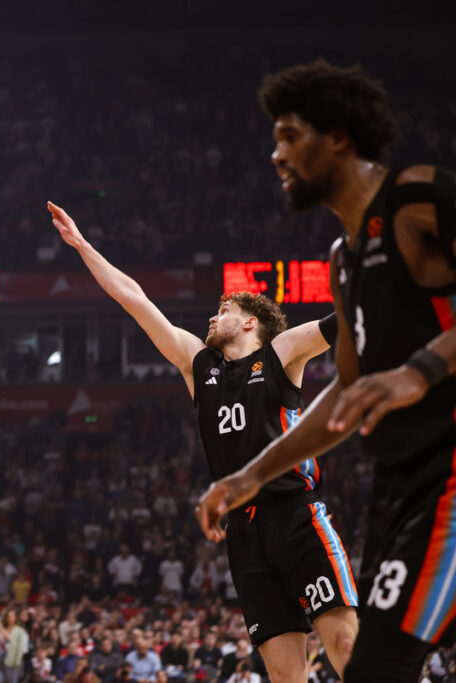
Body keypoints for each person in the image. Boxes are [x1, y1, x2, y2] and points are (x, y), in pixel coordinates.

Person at [195, 60, 456, 682]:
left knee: (378, 666)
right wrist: (249, 477)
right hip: (403, 484)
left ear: (337, 136)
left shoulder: (418, 195)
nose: (276, 155)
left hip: (449, 469)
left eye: (289, 136)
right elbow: (343, 392)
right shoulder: (344, 261)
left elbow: (396, 376)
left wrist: (420, 369)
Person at [49, 201, 358, 680]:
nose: (214, 317)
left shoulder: (282, 352)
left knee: (344, 643)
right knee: (285, 676)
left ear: (251, 321)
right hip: (244, 534)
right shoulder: (199, 364)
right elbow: (134, 299)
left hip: (296, 516)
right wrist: (83, 246)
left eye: (224, 309)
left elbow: (344, 323)